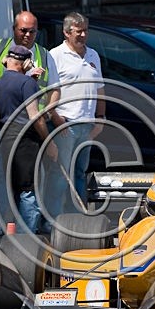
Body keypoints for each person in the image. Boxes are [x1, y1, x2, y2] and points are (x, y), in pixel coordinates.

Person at [0, 11, 62, 234]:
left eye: (33, 31)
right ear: (14, 29)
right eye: (23, 30)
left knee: (33, 178)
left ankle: (33, 220)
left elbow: (54, 90)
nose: (28, 35)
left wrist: (49, 114)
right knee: (6, 177)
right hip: (6, 126)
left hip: (33, 130)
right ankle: (0, 220)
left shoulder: (44, 55)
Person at [46, 11, 105, 217]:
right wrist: (56, 118)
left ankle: (78, 216)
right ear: (66, 33)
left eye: (85, 31)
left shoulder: (93, 55)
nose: (82, 35)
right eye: (78, 31)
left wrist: (101, 119)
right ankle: (52, 218)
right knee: (60, 175)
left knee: (80, 172)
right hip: (65, 123)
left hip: (86, 125)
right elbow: (48, 90)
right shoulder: (55, 55)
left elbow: (100, 89)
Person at [0, 44, 55, 233]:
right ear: (26, 62)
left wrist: (30, 79)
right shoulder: (27, 83)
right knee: (29, 189)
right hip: (26, 141)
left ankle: (11, 231)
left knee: (14, 187)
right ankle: (26, 234)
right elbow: (34, 116)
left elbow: (15, 97)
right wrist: (49, 142)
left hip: (6, 138)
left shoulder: (2, 81)